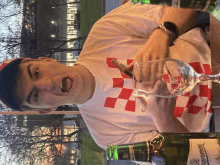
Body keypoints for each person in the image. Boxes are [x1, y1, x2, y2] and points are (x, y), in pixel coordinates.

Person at [0, 3, 212, 150]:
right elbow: (196, 156)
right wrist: (164, 120)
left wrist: (163, 33)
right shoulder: (106, 135)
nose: (48, 84)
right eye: (36, 96)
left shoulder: (104, 32)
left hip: (213, 51)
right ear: (47, 109)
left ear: (46, 61)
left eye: (36, 72)